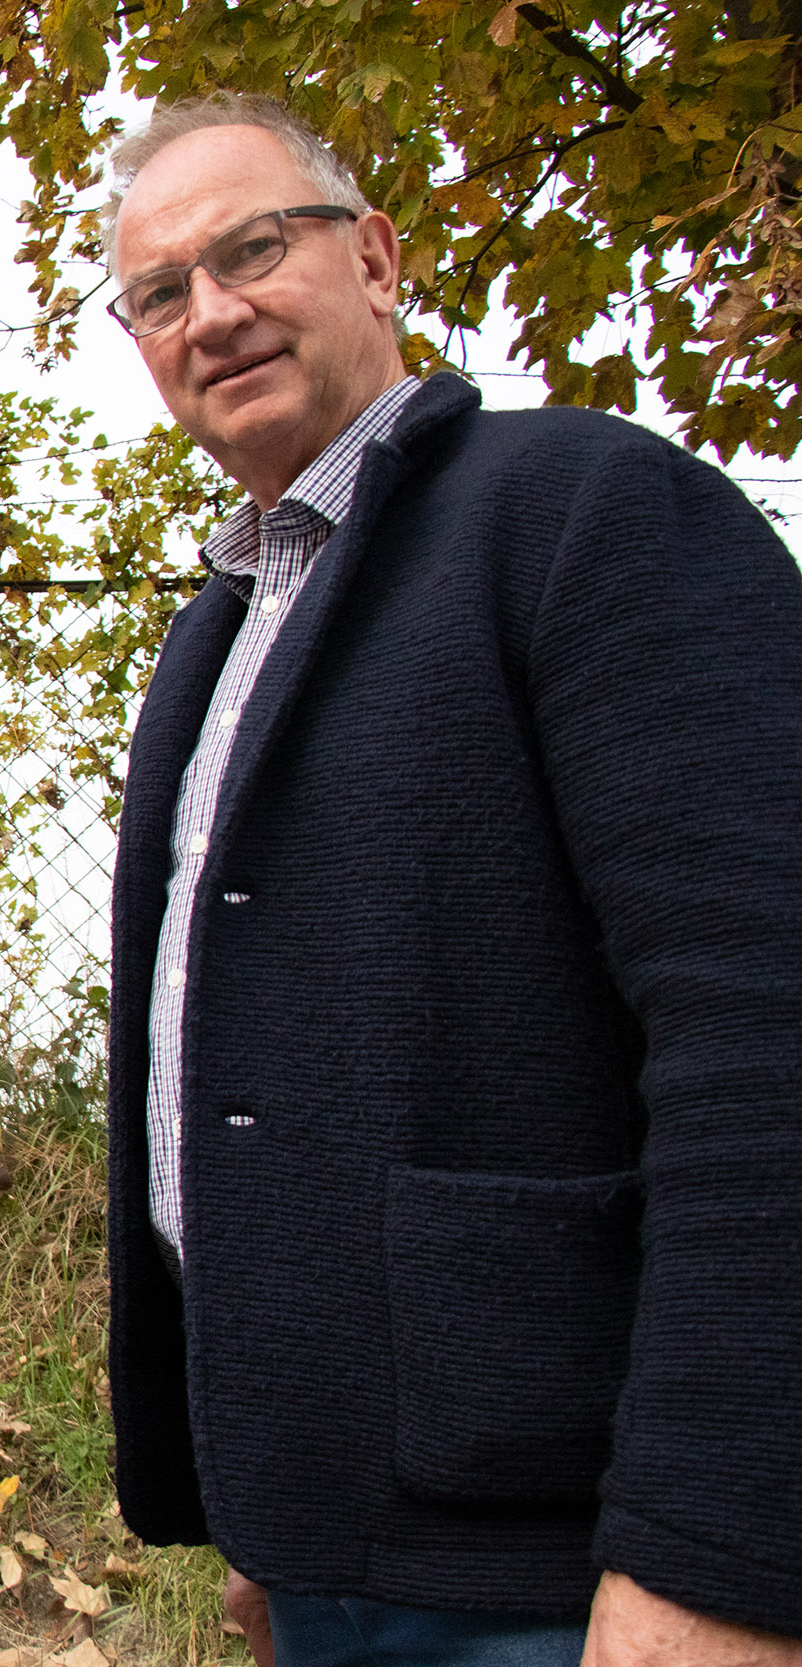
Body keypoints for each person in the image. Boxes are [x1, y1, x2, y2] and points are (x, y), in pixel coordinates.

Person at [99, 94, 802, 1664]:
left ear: (377, 257)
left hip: (580, 1560)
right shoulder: (220, 631)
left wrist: (726, 1542)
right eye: (160, 293)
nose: (212, 312)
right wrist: (271, 1489)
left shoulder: (582, 510)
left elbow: (768, 1034)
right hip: (329, 1542)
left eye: (252, 248)